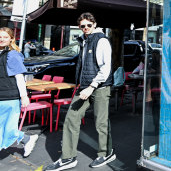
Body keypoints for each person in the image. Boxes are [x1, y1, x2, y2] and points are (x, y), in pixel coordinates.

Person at [45, 12, 115, 170]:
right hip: (84, 87)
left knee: (101, 122)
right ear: (79, 27)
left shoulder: (101, 40)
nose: (86, 28)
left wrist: (92, 86)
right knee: (71, 118)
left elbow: (106, 67)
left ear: (94, 24)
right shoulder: (83, 40)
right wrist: (81, 84)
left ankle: (106, 152)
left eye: (88, 25)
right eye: (82, 26)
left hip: (100, 87)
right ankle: (68, 157)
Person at [0, 27, 39, 157]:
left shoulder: (12, 55)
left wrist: (24, 96)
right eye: (0, 37)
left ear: (11, 39)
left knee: (9, 128)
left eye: (5, 37)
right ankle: (26, 139)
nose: (2, 39)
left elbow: (19, 76)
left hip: (9, 97)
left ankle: (27, 139)